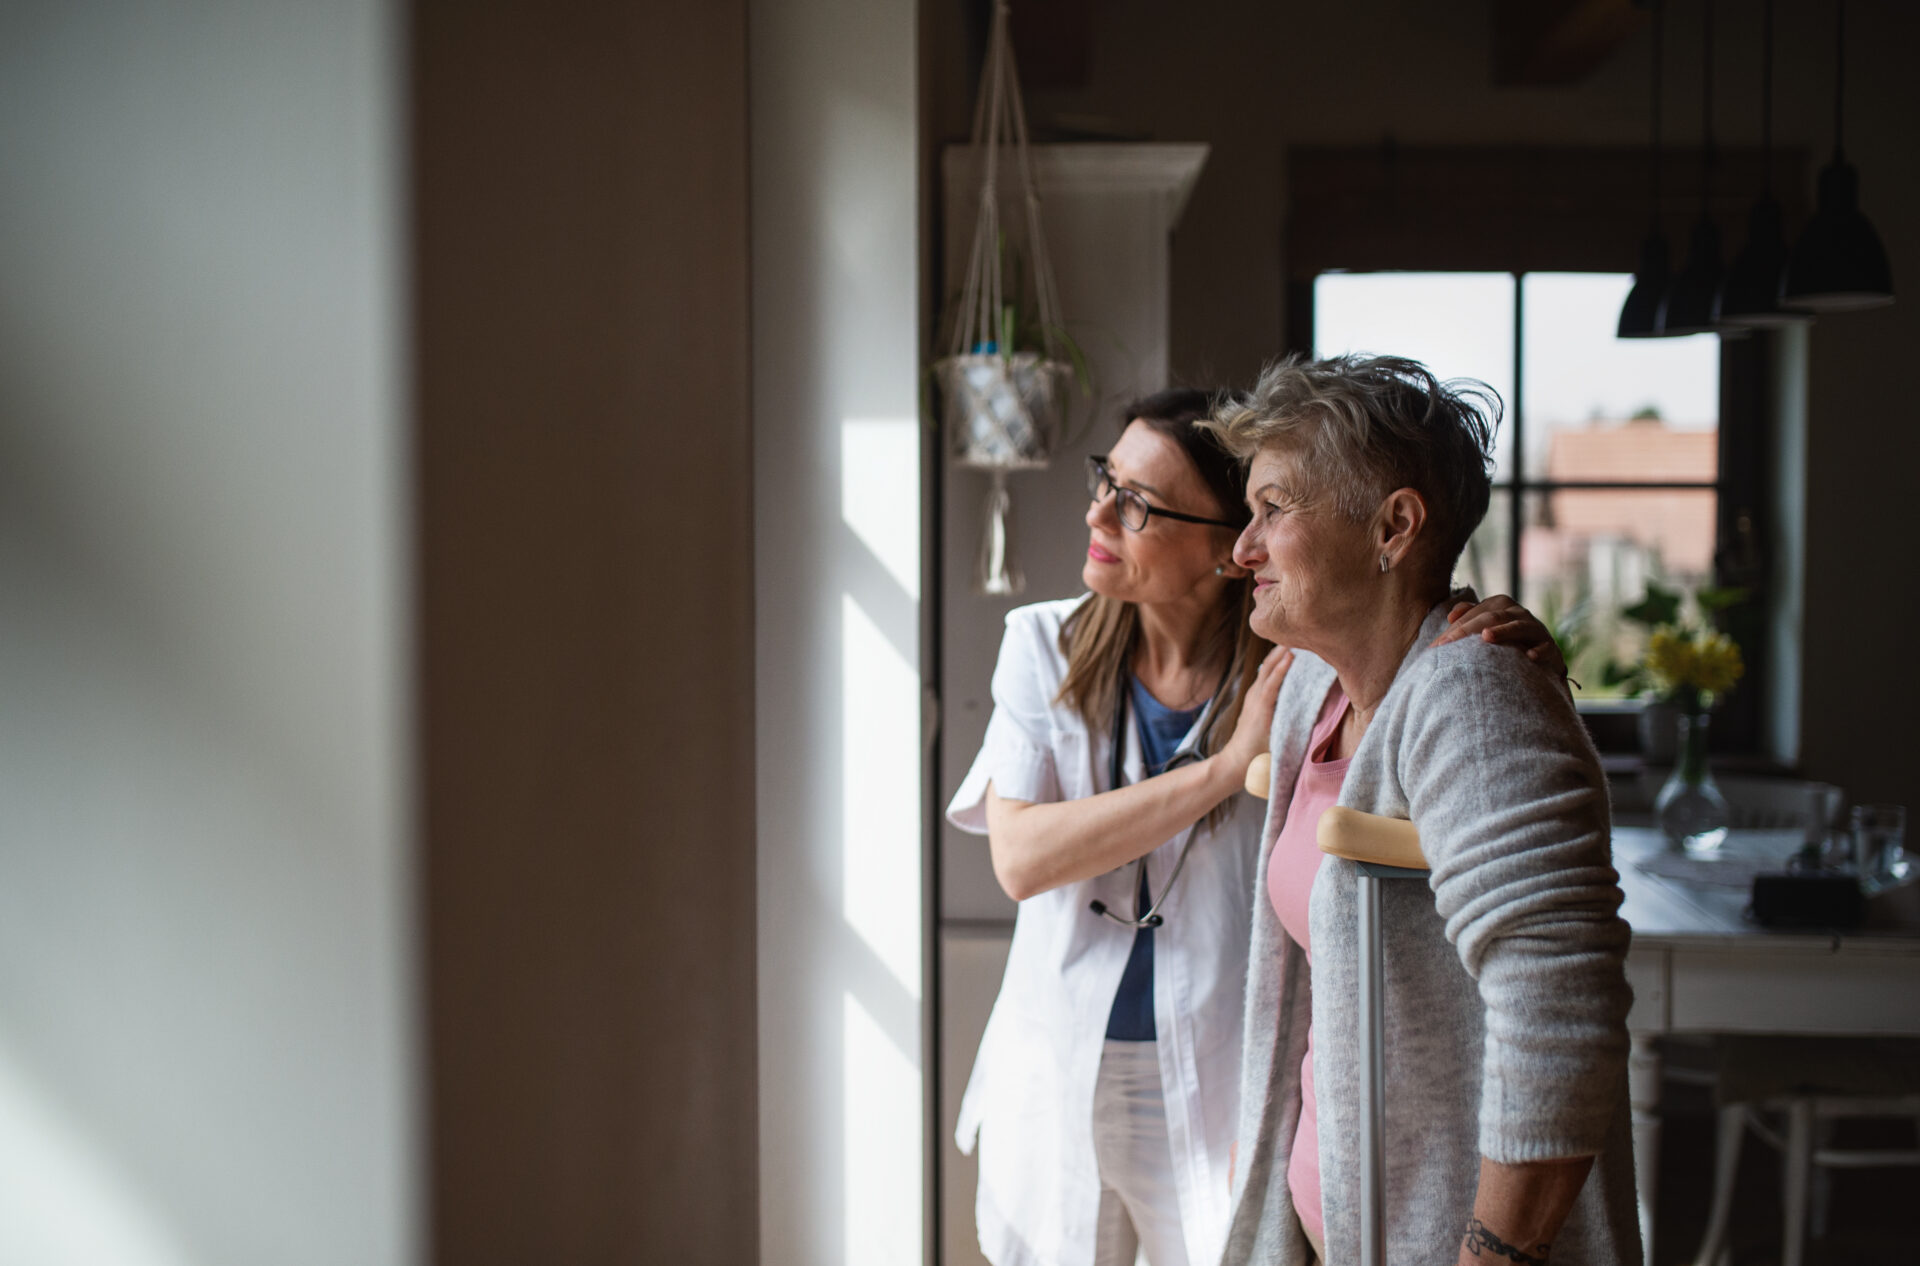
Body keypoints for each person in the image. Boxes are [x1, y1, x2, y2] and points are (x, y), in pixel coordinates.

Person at [946, 389, 1566, 1266]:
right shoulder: (1042, 643)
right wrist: (1221, 768)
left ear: (1218, 548)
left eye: (1138, 503)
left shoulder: (1299, 669)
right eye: (1106, 482)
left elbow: (1407, 670)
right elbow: (1019, 858)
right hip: (1059, 1066)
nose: (1098, 513)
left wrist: (1483, 636)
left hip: (1213, 1082)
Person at [1206, 355, 1639, 1266]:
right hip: (1331, 1230)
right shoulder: (1310, 689)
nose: (1240, 549)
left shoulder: (1474, 699)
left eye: (1273, 511)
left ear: (1394, 527)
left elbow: (1561, 1009)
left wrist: (1492, 1257)